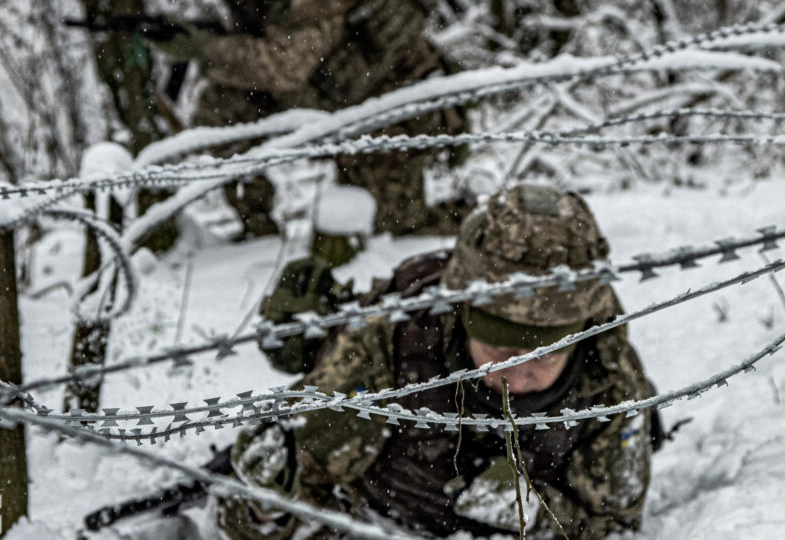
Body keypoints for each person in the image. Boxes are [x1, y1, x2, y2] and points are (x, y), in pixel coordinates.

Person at [217, 184, 656, 539]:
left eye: (546, 357)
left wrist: (536, 517)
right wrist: (264, 504)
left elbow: (618, 526)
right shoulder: (389, 344)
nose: (517, 376)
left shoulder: (609, 377)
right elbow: (248, 514)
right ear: (464, 322)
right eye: (499, 352)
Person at [157, 0, 469, 237]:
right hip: (322, 95)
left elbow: (287, 67)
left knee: (396, 231)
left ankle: (466, 219)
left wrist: (205, 47)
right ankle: (255, 224)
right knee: (223, 105)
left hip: (382, 104)